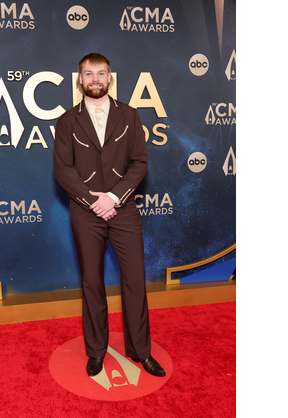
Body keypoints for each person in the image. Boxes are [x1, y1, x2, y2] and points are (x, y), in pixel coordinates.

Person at [53, 52, 165, 378]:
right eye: (88, 74)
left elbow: (139, 163)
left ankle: (140, 351)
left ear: (110, 77)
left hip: (124, 209)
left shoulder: (129, 116)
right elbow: (63, 170)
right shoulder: (66, 121)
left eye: (101, 73)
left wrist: (114, 197)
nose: (95, 80)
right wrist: (94, 201)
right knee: (92, 283)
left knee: (134, 281)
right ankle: (96, 351)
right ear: (80, 80)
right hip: (86, 212)